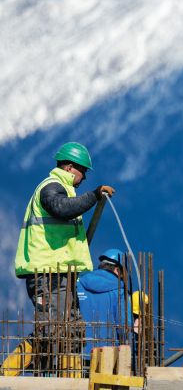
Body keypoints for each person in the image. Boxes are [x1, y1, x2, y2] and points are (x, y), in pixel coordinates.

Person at [6, 142, 114, 376]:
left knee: (72, 331)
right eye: (82, 170)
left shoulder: (66, 191)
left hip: (61, 274)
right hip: (45, 275)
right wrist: (93, 196)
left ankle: (71, 380)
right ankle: (6, 374)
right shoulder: (50, 188)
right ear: (69, 167)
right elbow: (61, 208)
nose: (84, 176)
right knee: (51, 330)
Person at [77, 249, 131, 357]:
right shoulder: (120, 291)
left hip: (77, 355)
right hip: (107, 358)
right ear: (117, 270)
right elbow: (124, 327)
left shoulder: (78, 285)